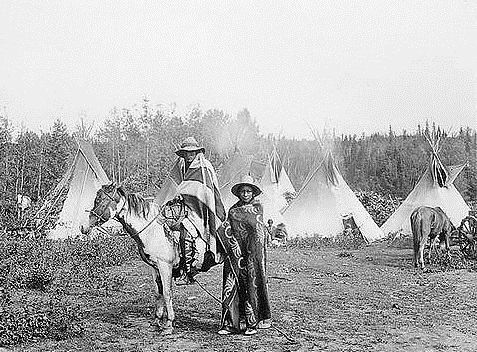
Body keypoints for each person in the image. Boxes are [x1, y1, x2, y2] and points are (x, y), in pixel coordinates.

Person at [163, 136, 226, 285]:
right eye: (186, 153)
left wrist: (190, 199)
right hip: (185, 207)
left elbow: (207, 192)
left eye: (192, 152)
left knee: (185, 233)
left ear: (197, 152)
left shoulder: (204, 167)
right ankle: (173, 264)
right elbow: (174, 185)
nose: (189, 155)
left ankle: (188, 271)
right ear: (183, 154)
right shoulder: (181, 166)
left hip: (201, 209)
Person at [217, 175, 271, 336]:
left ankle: (251, 324)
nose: (245, 194)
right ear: (238, 193)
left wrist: (252, 253)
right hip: (234, 254)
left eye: (248, 191)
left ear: (253, 193)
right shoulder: (233, 210)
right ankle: (230, 324)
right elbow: (226, 229)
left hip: (252, 255)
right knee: (231, 284)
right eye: (243, 191)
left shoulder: (257, 208)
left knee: (250, 284)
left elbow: (258, 232)